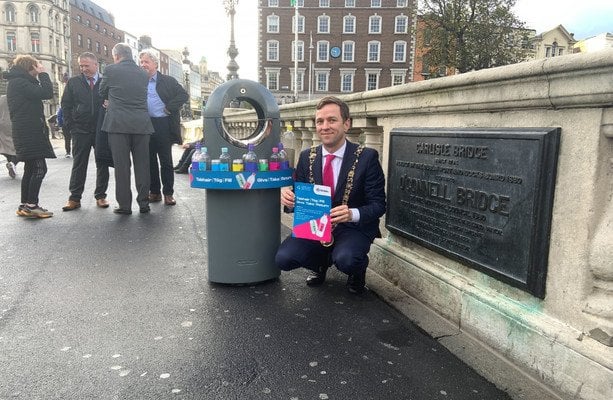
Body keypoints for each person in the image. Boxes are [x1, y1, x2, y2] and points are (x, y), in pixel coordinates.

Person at [275, 96, 386, 294]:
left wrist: (352, 213)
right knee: (284, 258)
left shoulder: (367, 157)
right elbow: (300, 197)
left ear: (346, 124)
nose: (325, 126)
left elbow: (378, 205)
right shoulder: (306, 156)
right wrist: (289, 198)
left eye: (332, 120)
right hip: (315, 227)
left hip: (352, 227)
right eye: (320, 121)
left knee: (347, 259)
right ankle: (320, 265)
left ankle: (357, 271)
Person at [99, 43, 154, 215]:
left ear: (116, 55)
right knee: (143, 165)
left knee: (122, 166)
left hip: (118, 124)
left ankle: (124, 205)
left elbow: (102, 91)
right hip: (141, 124)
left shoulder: (110, 70)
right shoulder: (143, 74)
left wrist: (111, 99)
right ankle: (144, 203)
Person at [5, 55, 55, 218]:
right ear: (30, 67)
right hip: (29, 131)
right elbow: (46, 92)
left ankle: (25, 205)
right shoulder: (20, 82)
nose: (40, 67)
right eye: (37, 65)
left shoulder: (17, 81)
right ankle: (32, 205)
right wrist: (43, 74)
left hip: (25, 130)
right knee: (40, 168)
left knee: (30, 168)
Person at [60, 52, 111, 211]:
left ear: (96, 65)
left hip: (101, 129)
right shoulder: (73, 82)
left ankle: (101, 196)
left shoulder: (106, 82)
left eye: (86, 65)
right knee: (79, 164)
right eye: (81, 66)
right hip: (80, 129)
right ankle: (74, 198)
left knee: (102, 163)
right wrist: (70, 126)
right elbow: (65, 105)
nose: (83, 69)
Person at [139, 49, 188, 206]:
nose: (143, 65)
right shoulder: (138, 81)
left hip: (163, 124)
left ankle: (168, 193)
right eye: (141, 62)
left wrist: (170, 107)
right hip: (146, 125)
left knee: (165, 161)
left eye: (146, 61)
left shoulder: (168, 80)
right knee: (150, 161)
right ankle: (154, 192)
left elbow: (183, 95)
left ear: (155, 64)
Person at [0, 94, 19, 179]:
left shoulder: (1, 98)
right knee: (18, 146)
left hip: (3, 124)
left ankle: (11, 164)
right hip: (15, 123)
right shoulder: (17, 97)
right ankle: (13, 163)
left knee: (6, 146)